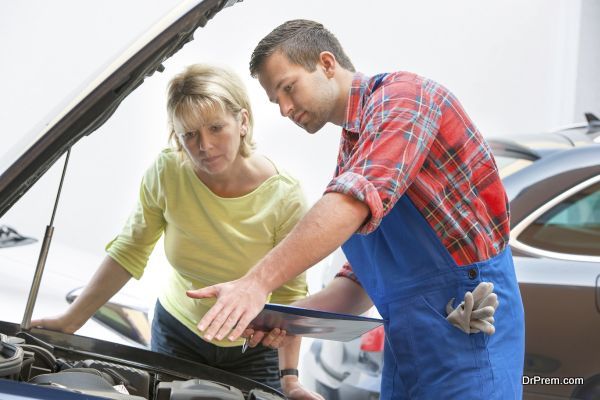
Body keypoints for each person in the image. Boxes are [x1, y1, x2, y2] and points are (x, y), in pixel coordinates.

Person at [185, 20, 525, 399]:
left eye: (288, 88)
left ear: (327, 64)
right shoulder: (355, 146)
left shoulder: (406, 99)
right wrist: (287, 319)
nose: (284, 108)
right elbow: (362, 281)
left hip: (467, 337)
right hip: (410, 352)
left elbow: (351, 201)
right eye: (275, 100)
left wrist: (255, 283)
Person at [32, 64, 323, 399]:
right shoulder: (168, 171)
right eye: (189, 134)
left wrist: (290, 380)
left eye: (216, 128)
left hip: (253, 349)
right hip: (178, 335)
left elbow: (289, 294)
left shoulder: (284, 196)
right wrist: (72, 320)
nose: (205, 145)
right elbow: (130, 249)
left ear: (243, 122)